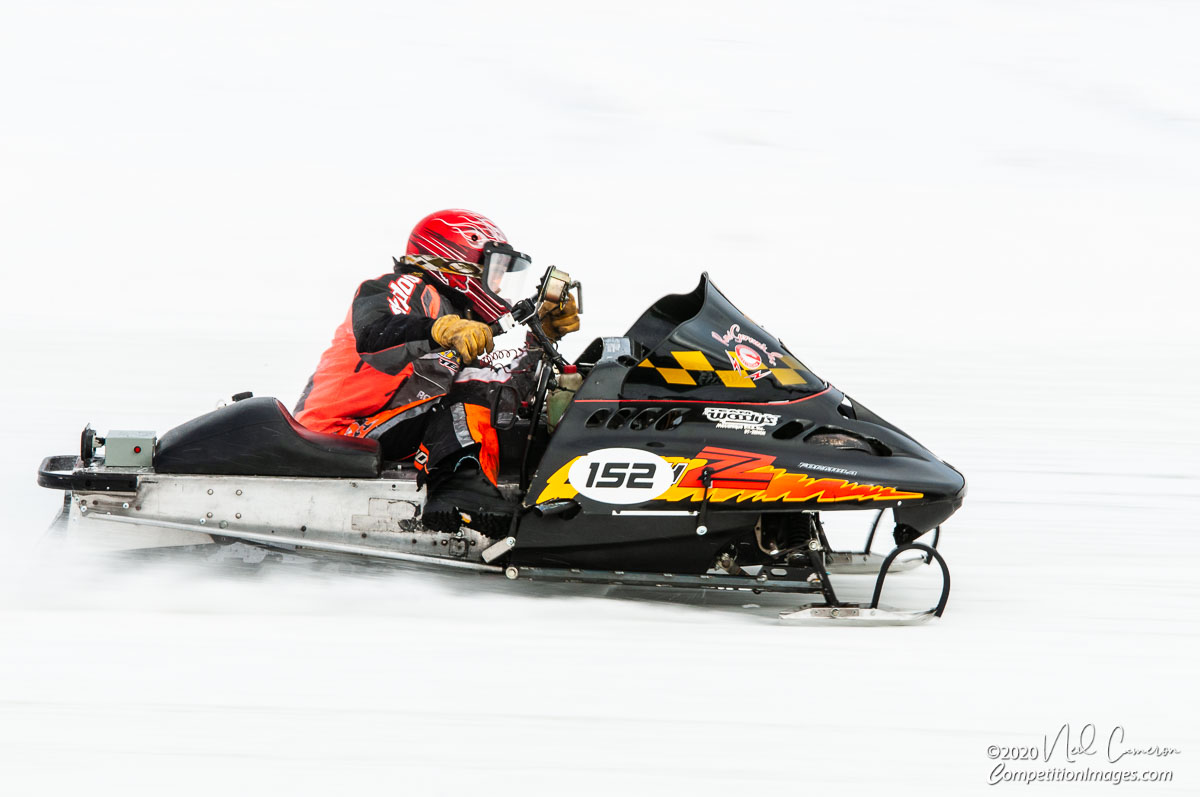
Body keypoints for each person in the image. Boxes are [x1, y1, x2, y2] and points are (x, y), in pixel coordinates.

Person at [293, 209, 579, 534]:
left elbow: (498, 389)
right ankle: (459, 490)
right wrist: (440, 329)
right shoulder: (409, 288)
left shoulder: (456, 321)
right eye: (495, 269)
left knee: (497, 402)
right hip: (340, 431)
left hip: (388, 426)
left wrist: (540, 341)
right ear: (457, 259)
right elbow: (374, 335)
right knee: (473, 393)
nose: (499, 283)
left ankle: (513, 496)